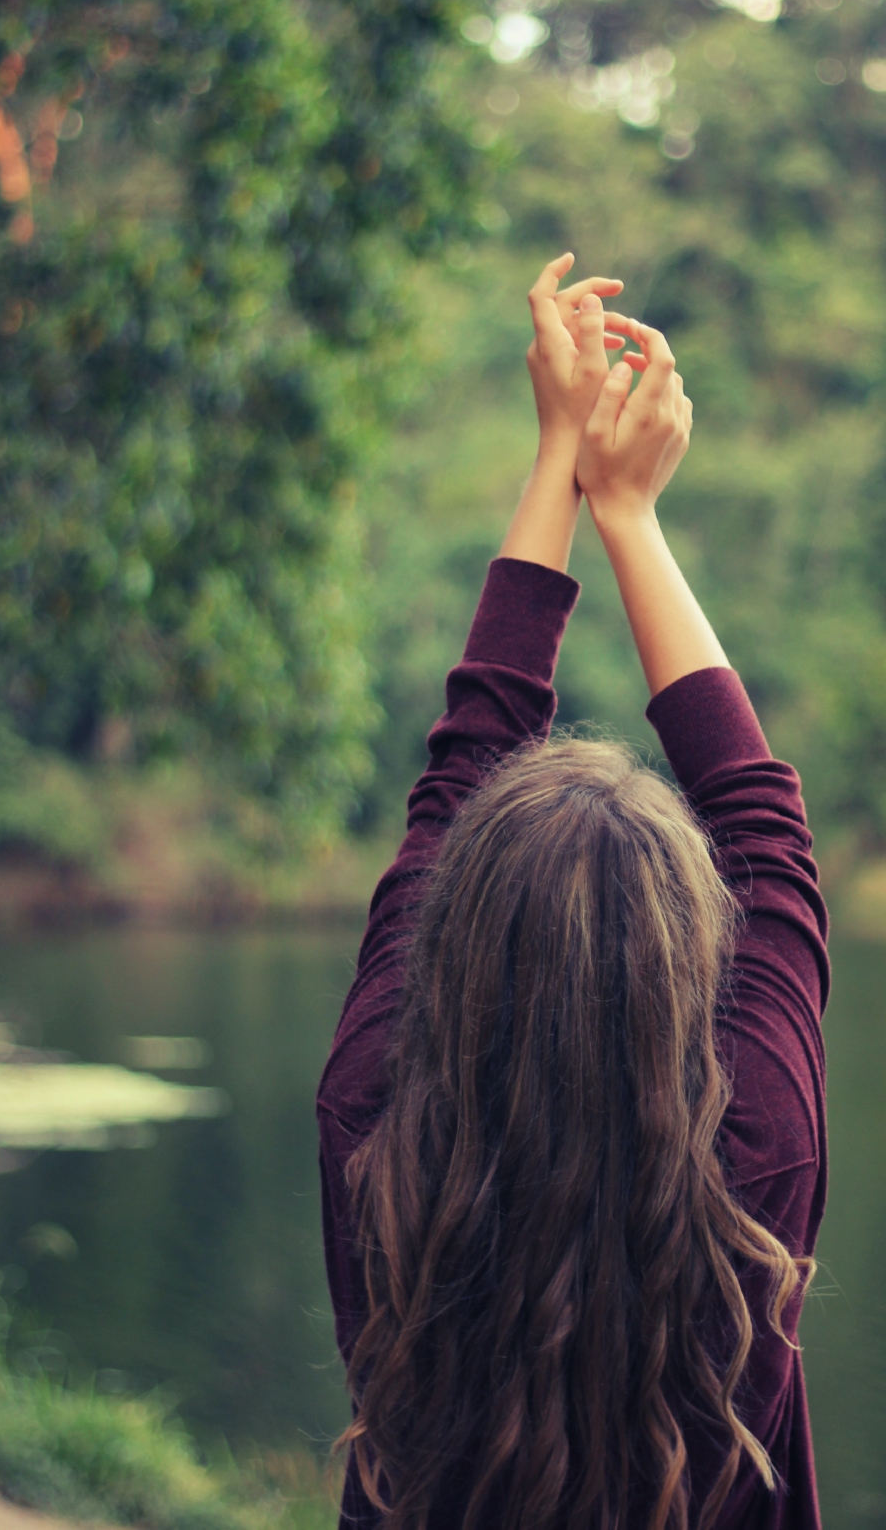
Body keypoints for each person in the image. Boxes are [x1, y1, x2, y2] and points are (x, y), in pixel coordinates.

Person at [317, 255, 830, 1530]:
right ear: (688, 955)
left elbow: (460, 778)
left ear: (455, 941)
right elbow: (765, 827)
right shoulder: (755, 1156)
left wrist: (561, 459)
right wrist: (626, 509)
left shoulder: (378, 1136)